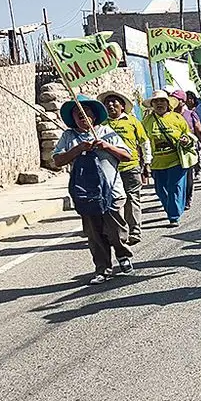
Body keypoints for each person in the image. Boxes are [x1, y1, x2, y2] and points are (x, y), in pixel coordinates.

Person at [52, 95, 134, 284]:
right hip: (86, 193)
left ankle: (123, 255)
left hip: (112, 191)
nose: (82, 118)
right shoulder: (68, 136)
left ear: (94, 117)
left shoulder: (107, 132)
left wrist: (106, 146)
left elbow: (127, 155)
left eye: (86, 114)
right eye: (78, 115)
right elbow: (57, 160)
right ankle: (103, 268)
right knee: (94, 234)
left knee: (115, 229)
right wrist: (78, 149)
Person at [99, 90, 151, 246]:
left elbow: (144, 142)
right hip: (108, 169)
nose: (110, 105)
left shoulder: (132, 121)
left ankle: (134, 231)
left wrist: (147, 163)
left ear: (122, 106)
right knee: (111, 201)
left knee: (132, 198)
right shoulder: (101, 124)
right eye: (107, 102)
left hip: (130, 166)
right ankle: (115, 231)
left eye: (114, 102)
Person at [142, 90, 193, 227]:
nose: (159, 103)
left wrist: (185, 140)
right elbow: (143, 141)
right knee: (161, 191)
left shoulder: (177, 118)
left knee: (175, 187)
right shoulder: (147, 121)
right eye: (156, 101)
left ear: (168, 103)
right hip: (157, 163)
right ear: (152, 104)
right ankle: (173, 209)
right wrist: (145, 162)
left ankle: (173, 216)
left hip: (176, 160)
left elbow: (188, 135)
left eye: (162, 101)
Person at [181, 91, 201, 209]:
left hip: (190, 149)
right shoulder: (168, 116)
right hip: (174, 151)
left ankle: (188, 197)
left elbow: (199, 131)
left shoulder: (191, 114)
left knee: (188, 175)